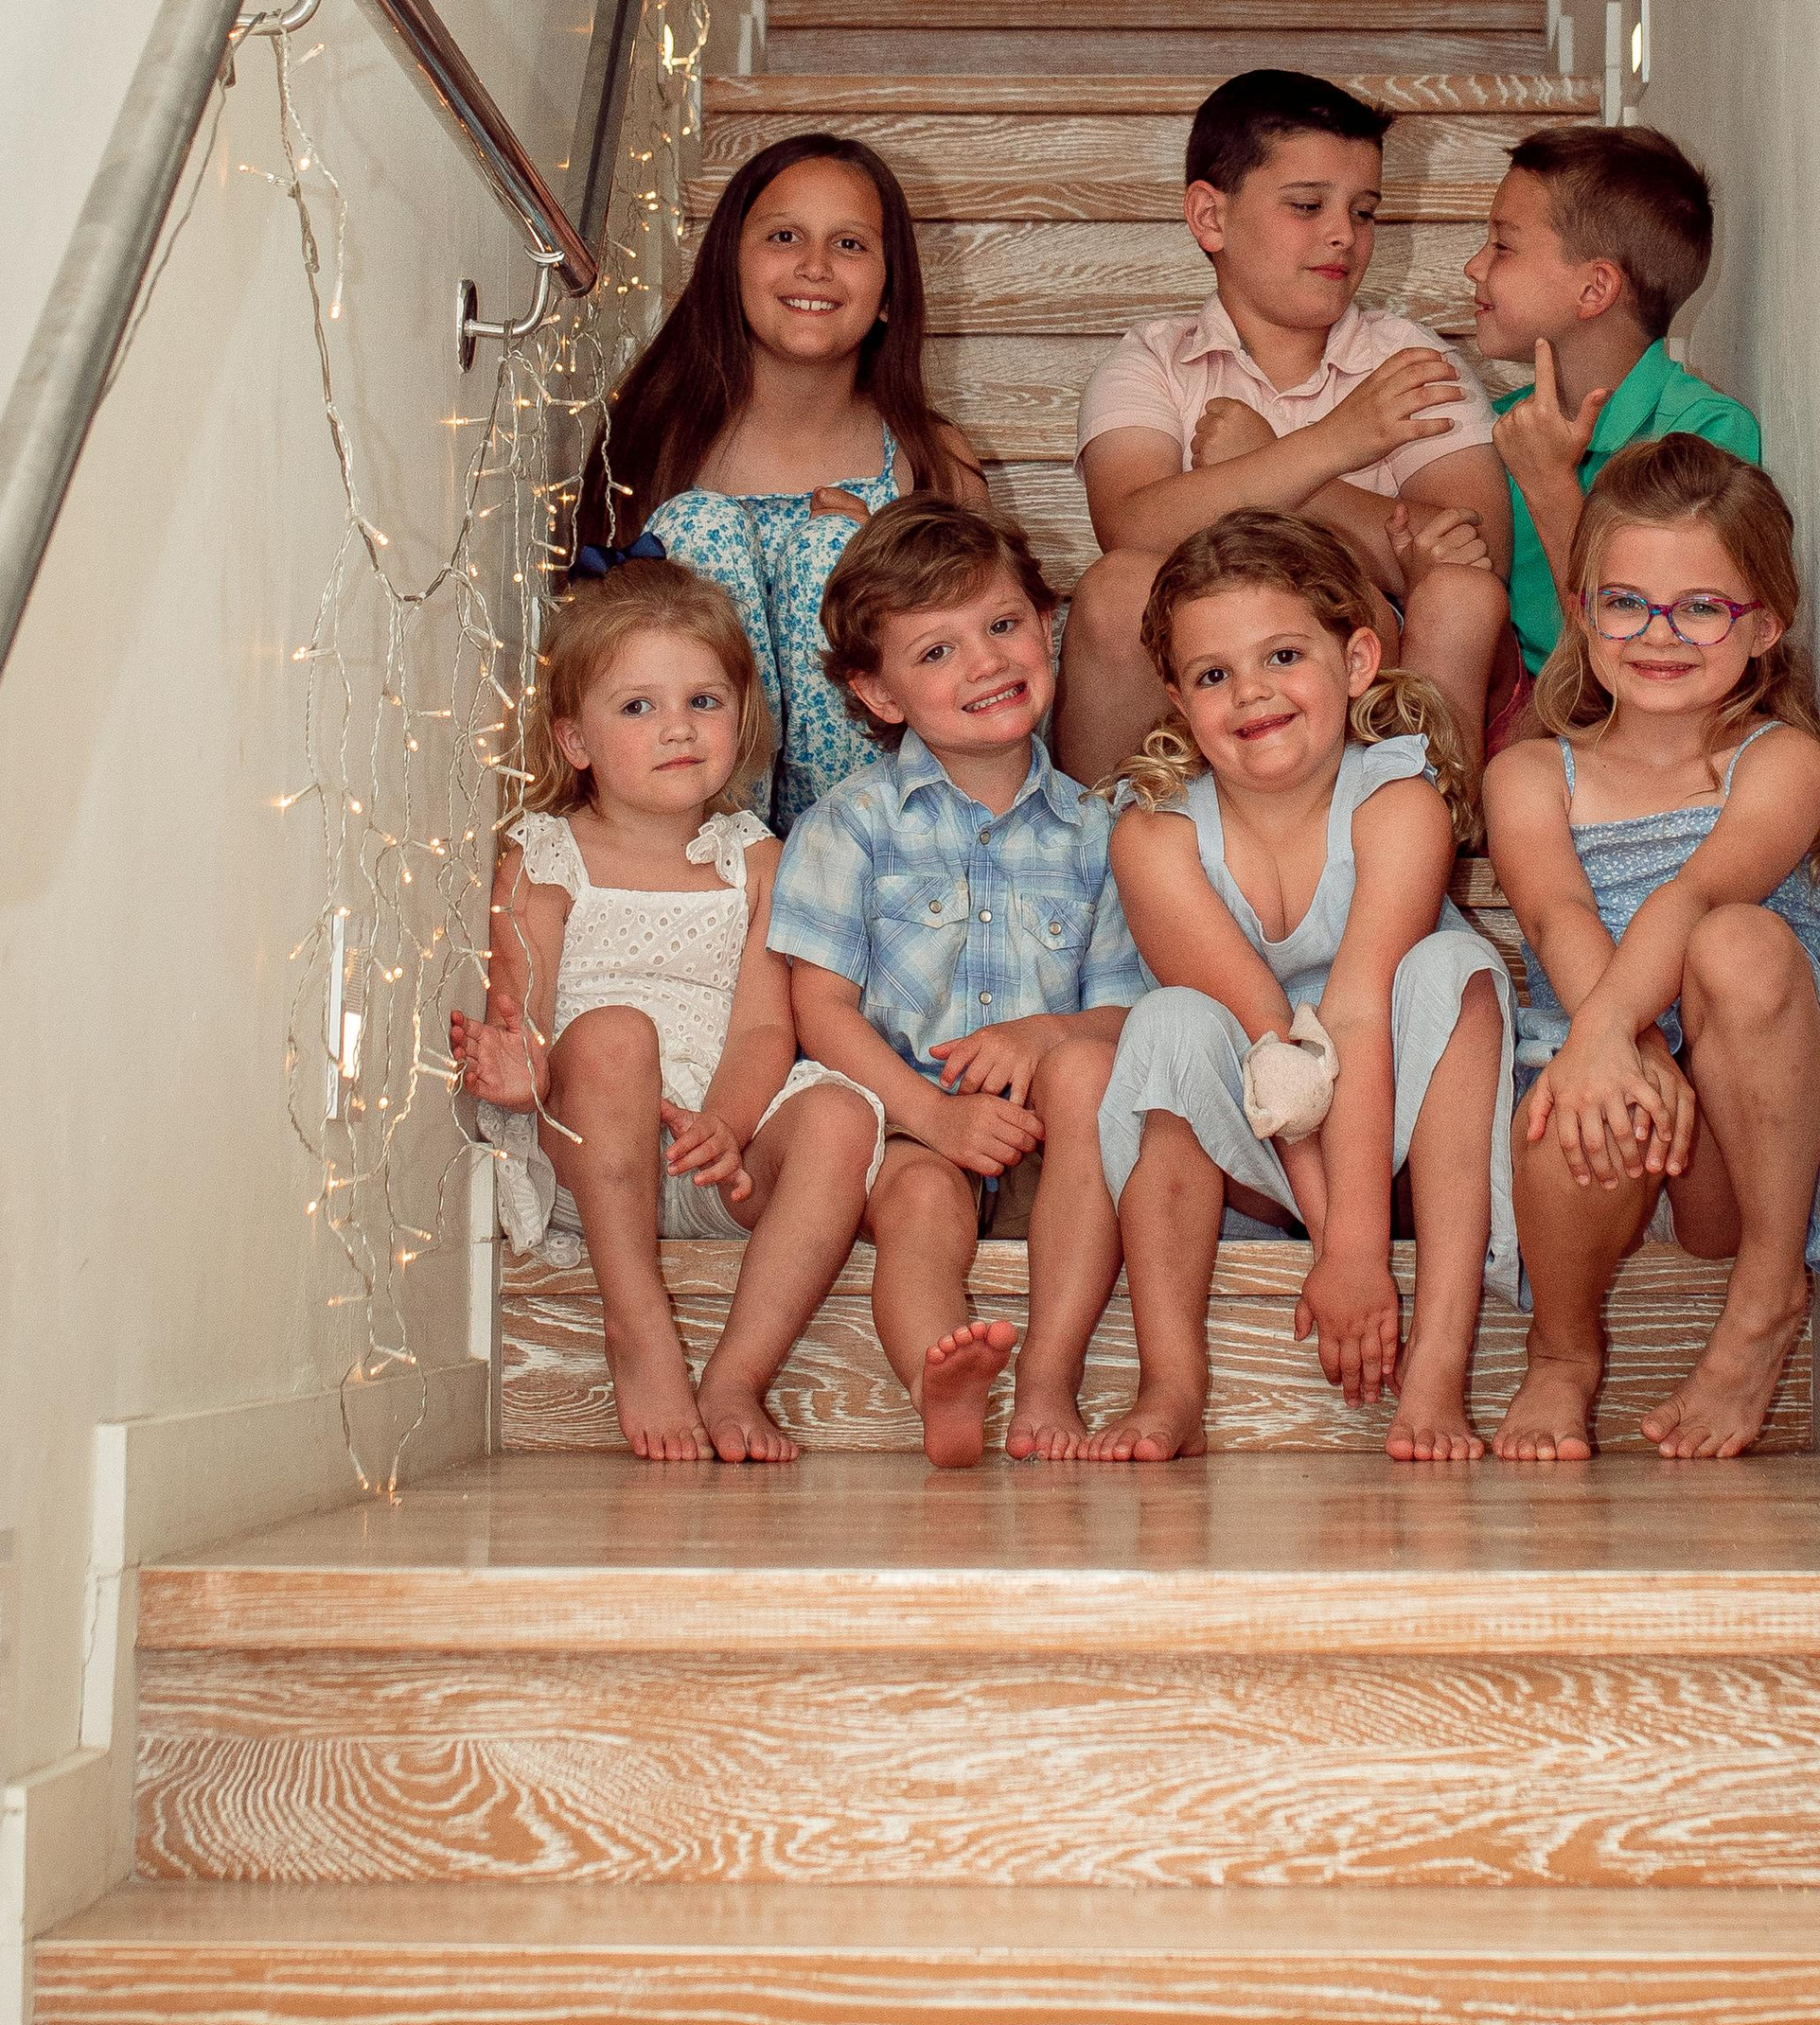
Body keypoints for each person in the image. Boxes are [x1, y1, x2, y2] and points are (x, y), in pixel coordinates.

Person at [1089, 510, 1517, 1468]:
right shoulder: (1154, 837)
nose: (1251, 693)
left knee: (1456, 972)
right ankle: (1171, 1379)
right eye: (1212, 675)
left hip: (1395, 1129)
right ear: (1176, 700)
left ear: (1357, 660)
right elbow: (1275, 1047)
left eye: (1283, 655)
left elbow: (1358, 1013)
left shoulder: (1400, 803)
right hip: (1256, 1136)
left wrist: (1363, 1253)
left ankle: (1441, 1361)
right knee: (1165, 1022)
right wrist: (1337, 1251)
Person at [450, 555, 884, 1465]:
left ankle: (736, 1378)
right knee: (615, 1033)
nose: (677, 729)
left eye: (704, 702)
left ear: (742, 716)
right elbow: (518, 1011)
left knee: (842, 1114)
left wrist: (725, 1126)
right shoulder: (545, 855)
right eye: (638, 707)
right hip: (591, 1158)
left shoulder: (756, 857)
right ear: (575, 740)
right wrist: (519, 1063)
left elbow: (768, 1026)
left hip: (714, 1151)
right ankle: (638, 1325)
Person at [1484, 432, 1820, 1463]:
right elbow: (1558, 916)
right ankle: (1560, 1352)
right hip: (1606, 1112)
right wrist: (1618, 1048)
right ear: (1584, 608)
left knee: (1739, 941)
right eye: (1626, 602)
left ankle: (1768, 1292)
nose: (1659, 633)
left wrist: (1611, 1028)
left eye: (1701, 607)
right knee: (1567, 1100)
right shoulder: (1530, 776)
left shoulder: (1780, 764)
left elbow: (1691, 898)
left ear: (1765, 624)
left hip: (1742, 1139)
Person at [769, 498, 1143, 1464]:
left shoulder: (1102, 834)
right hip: (904, 1128)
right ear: (879, 694)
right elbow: (820, 1011)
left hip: (1042, 1143)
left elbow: (1120, 1010)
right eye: (935, 652)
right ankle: (941, 1376)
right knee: (923, 1209)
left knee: (1100, 1122)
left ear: (1047, 627)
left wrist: (1043, 1039)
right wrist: (929, 1117)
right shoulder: (847, 825)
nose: (984, 662)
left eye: (1003, 625)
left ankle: (1050, 1381)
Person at [1059, 70, 1510, 779]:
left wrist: (1284, 464)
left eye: (1364, 212)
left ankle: (1420, 825)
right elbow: (1131, 527)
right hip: (1200, 679)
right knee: (1119, 588)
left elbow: (1470, 556)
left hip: (1358, 672)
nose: (1344, 235)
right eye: (1307, 205)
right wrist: (1333, 445)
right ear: (1211, 218)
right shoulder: (1156, 361)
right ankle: (1092, 852)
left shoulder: (1410, 364)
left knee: (1455, 591)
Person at [574, 132, 986, 827]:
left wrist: (885, 567)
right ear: (729, 269)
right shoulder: (655, 442)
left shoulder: (930, 457)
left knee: (838, 549)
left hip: (882, 829)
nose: (816, 266)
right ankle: (729, 849)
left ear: (889, 292)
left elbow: (983, 653)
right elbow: (596, 648)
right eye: (785, 236)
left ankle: (835, 864)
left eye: (850, 245)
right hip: (693, 814)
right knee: (696, 524)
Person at [1465, 125, 1760, 737]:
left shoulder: (1703, 432)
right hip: (1527, 714)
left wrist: (1549, 483)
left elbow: (1649, 635)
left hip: (1644, 721)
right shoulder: (1501, 426)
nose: (1474, 267)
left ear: (1595, 288)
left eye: (1502, 245)